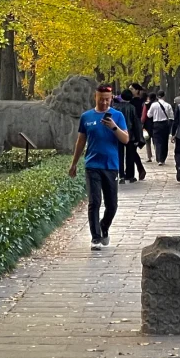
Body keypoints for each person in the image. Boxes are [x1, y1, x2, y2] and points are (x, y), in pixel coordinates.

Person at [69, 83, 129, 249]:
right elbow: (81, 141)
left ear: (111, 99)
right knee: (94, 201)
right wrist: (74, 163)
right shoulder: (86, 117)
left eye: (107, 100)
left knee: (112, 205)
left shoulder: (117, 116)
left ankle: (103, 227)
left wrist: (114, 127)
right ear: (95, 97)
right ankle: (95, 237)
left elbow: (126, 139)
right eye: (101, 99)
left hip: (111, 165)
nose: (104, 103)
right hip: (92, 164)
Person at [121, 89, 146, 182]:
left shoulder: (116, 107)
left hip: (119, 133)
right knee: (131, 155)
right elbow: (136, 122)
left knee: (120, 155)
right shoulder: (132, 107)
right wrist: (138, 136)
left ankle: (121, 175)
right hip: (130, 134)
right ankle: (130, 175)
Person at [146, 89, 173, 164]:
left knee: (157, 141)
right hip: (165, 124)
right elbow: (171, 116)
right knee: (165, 141)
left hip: (156, 124)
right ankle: (163, 158)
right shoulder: (168, 105)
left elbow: (149, 115)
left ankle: (159, 159)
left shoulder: (153, 105)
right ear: (164, 96)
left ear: (157, 96)